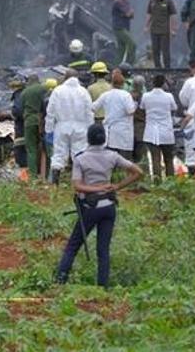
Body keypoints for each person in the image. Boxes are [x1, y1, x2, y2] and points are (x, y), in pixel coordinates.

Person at [55, 124, 143, 288]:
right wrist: (117, 186)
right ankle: (102, 287)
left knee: (73, 246)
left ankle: (59, 282)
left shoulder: (80, 158)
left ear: (87, 139)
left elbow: (77, 186)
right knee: (103, 250)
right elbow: (138, 172)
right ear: (104, 138)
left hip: (90, 207)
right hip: (108, 207)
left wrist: (96, 189)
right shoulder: (112, 156)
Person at [45, 69, 94, 184]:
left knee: (58, 154)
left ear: (65, 78)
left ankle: (55, 182)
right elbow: (89, 112)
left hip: (61, 127)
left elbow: (50, 112)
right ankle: (79, 182)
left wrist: (49, 130)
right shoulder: (83, 91)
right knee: (80, 154)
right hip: (81, 128)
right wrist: (90, 128)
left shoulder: (57, 91)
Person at [141, 75, 178, 182]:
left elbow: (142, 107)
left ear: (152, 83)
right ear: (164, 84)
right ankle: (171, 182)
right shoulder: (169, 96)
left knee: (155, 159)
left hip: (151, 132)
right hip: (166, 132)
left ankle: (157, 183)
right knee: (168, 159)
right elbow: (174, 107)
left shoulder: (146, 96)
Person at [91, 70, 136, 158]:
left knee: (110, 157)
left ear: (111, 83)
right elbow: (130, 111)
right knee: (123, 159)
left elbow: (93, 107)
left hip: (109, 130)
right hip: (124, 131)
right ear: (123, 84)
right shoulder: (126, 95)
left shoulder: (106, 95)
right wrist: (135, 104)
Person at [145, 0, 177, 68]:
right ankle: (157, 68)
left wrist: (173, 29)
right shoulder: (151, 1)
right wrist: (146, 26)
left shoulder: (168, 0)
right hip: (154, 30)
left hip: (164, 30)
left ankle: (167, 68)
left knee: (165, 50)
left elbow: (173, 15)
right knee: (155, 50)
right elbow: (149, 14)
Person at [21, 77, 48, 177]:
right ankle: (45, 173)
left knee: (31, 148)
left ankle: (33, 174)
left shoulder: (25, 92)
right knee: (45, 148)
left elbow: (21, 108)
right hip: (43, 121)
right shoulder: (43, 89)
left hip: (29, 122)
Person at [112, 0, 135, 65]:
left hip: (125, 27)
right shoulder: (118, 2)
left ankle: (116, 66)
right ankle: (130, 64)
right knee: (132, 44)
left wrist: (130, 13)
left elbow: (132, 16)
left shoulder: (126, 2)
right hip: (119, 28)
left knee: (121, 49)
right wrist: (130, 12)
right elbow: (128, 14)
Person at [130, 75, 147, 164]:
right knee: (140, 152)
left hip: (130, 125)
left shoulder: (128, 96)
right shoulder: (145, 97)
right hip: (140, 125)